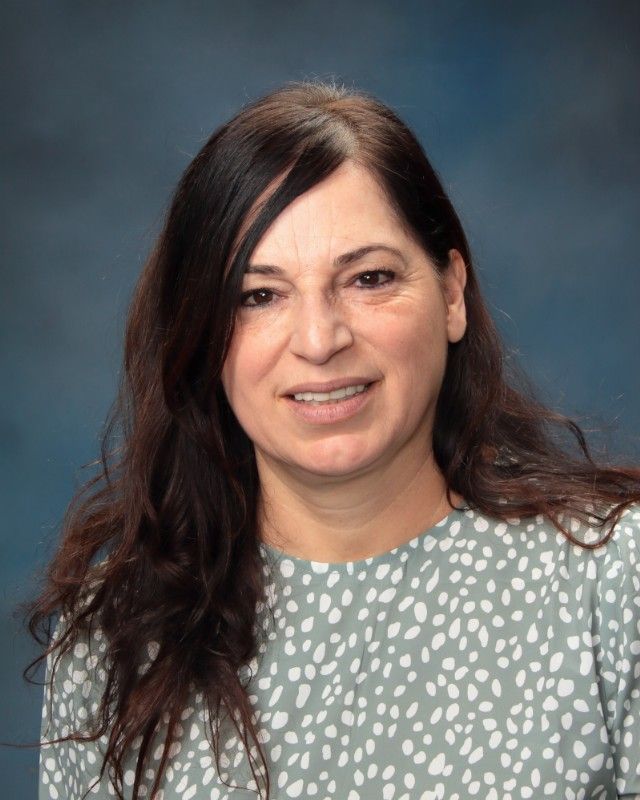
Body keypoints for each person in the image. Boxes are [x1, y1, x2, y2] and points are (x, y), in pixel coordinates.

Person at [28, 79, 640, 800]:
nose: (319, 340)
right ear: (200, 333)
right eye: (259, 295)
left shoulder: (612, 582)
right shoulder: (113, 640)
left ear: (451, 293)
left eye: (368, 278)